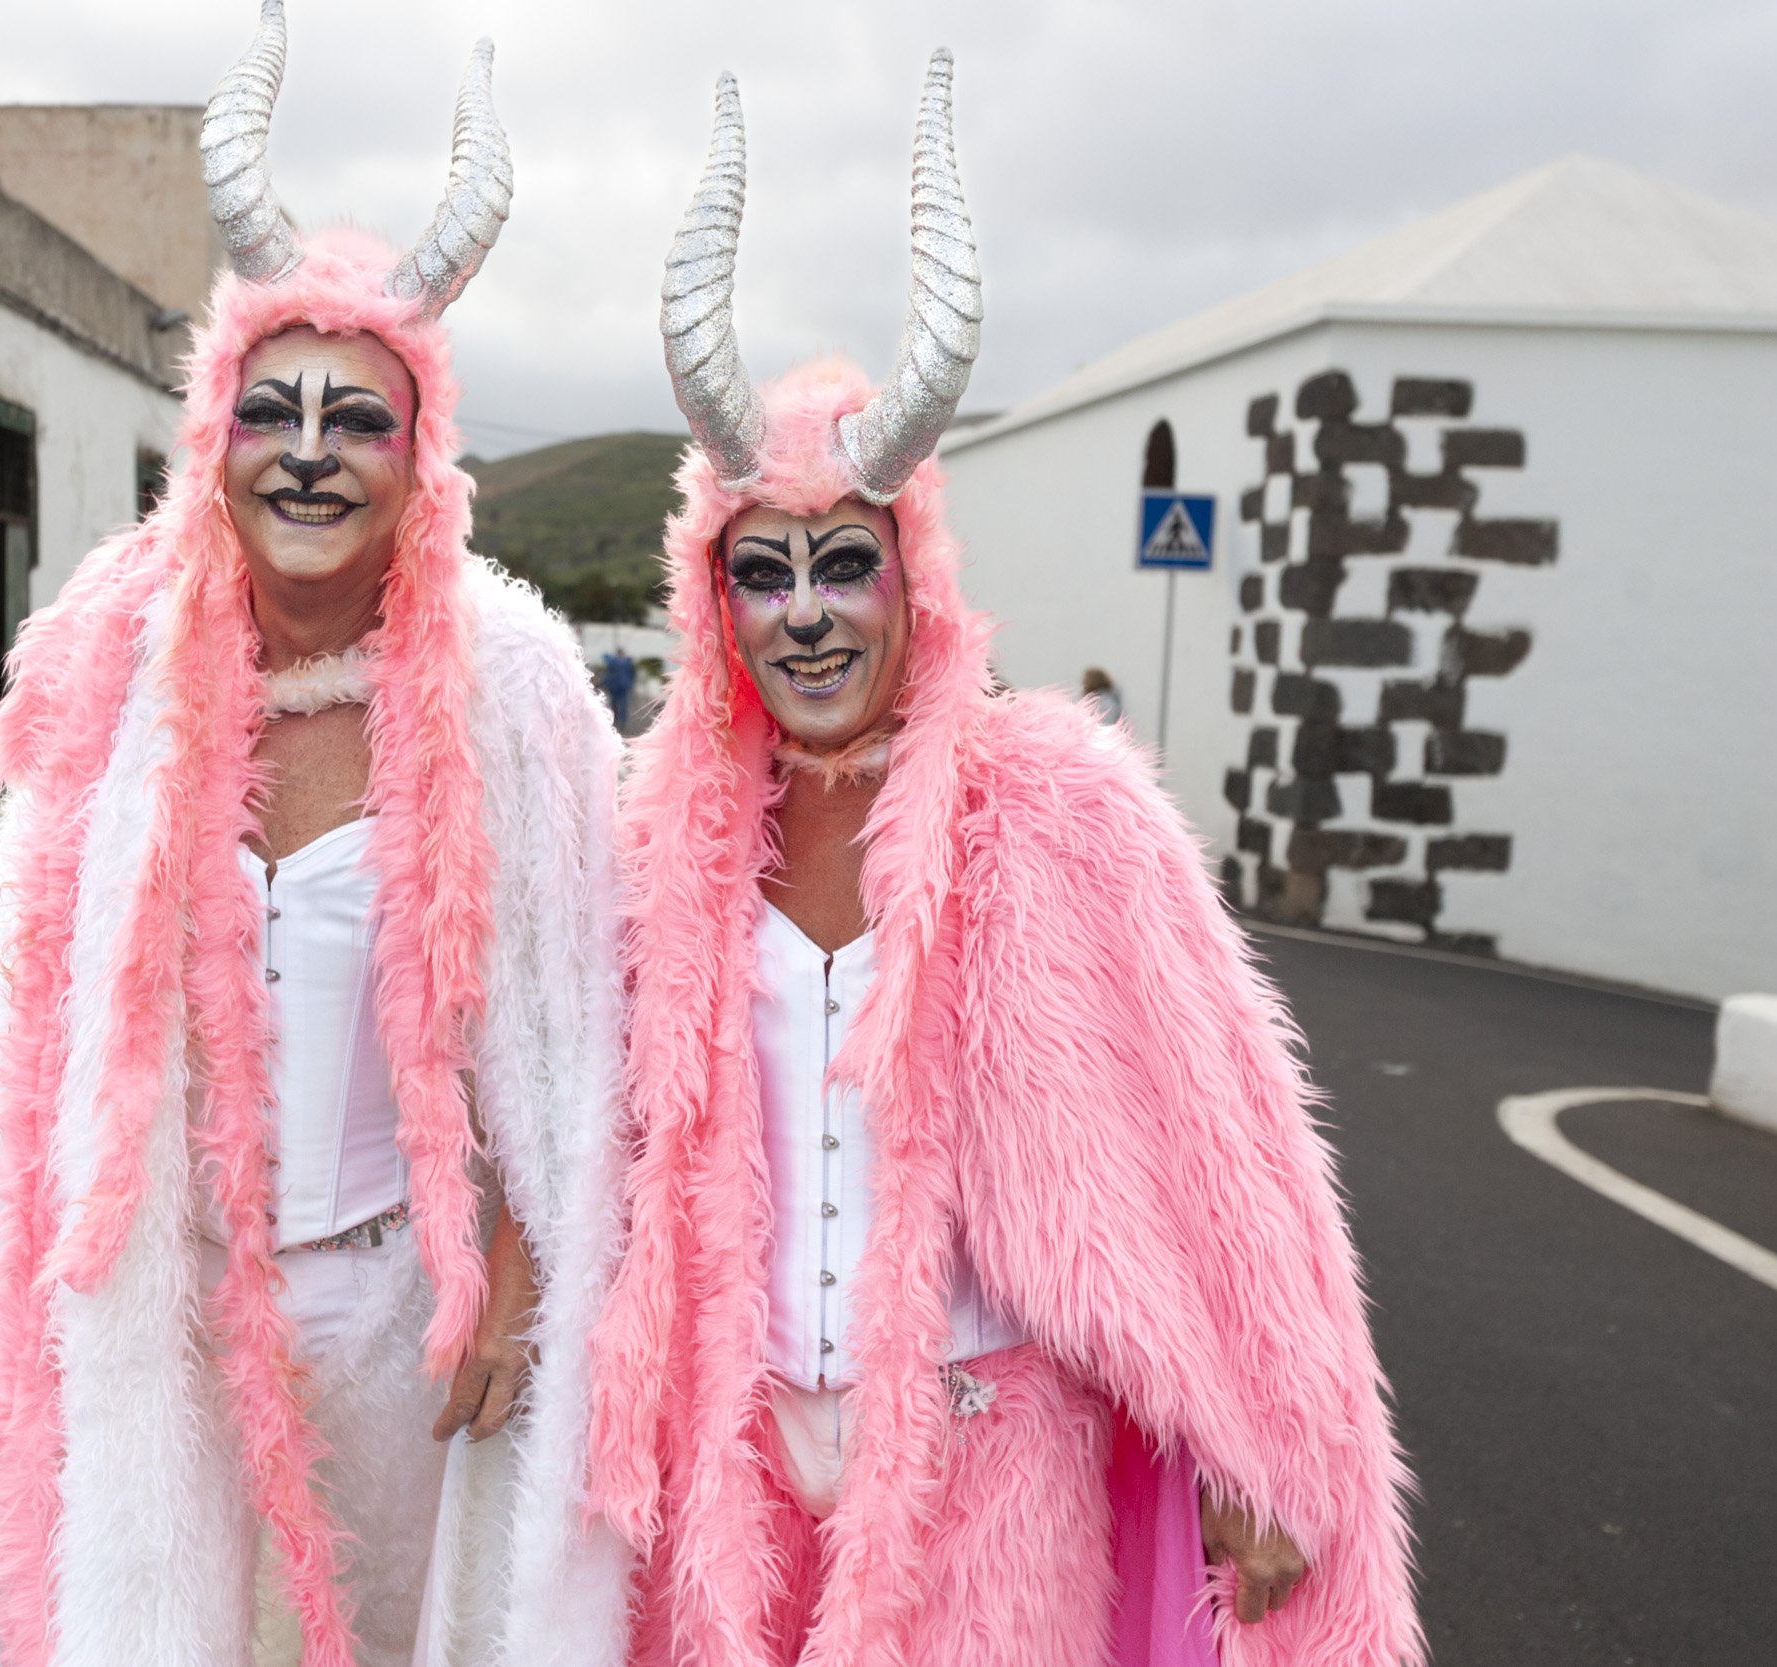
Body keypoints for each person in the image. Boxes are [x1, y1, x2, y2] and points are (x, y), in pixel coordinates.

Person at [0, 9, 628, 1667]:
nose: (307, 453)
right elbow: (17, 1025)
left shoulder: (511, 690)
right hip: (169, 1311)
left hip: (399, 1322)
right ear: (212, 442)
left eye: (356, 419)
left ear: (423, 463)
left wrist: (518, 1251)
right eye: (269, 412)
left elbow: (578, 1034)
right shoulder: (128, 668)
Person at [584, 57, 1420, 1667]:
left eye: (846, 563)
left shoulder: (1059, 804)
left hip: (988, 1449)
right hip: (730, 1459)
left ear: (918, 580)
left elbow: (1217, 1153)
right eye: (765, 572)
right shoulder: (652, 831)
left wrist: (1254, 1433)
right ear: (715, 603)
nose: (808, 611)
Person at [600, 643, 638, 730]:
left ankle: (617, 720)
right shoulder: (627, 662)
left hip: (615, 686)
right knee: (622, 704)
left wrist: (603, 684)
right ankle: (621, 721)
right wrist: (631, 683)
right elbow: (633, 675)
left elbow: (607, 674)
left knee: (616, 704)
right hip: (622, 686)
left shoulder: (613, 662)